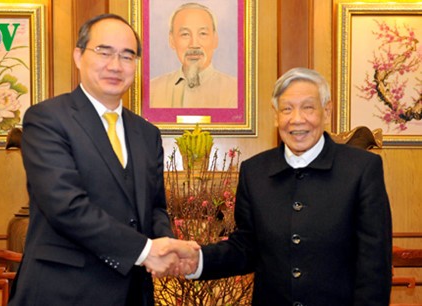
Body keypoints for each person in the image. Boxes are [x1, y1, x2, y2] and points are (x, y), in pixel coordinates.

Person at [8, 14, 197, 306]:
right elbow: (66, 207)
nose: (115, 65)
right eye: (104, 52)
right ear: (78, 55)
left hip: (132, 293)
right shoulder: (46, 119)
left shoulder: (147, 133)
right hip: (62, 292)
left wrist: (167, 244)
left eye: (126, 55)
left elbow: (155, 207)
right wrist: (147, 251)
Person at [164, 67, 393, 305]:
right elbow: (246, 247)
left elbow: (374, 265)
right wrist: (198, 259)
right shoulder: (255, 172)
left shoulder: (361, 169)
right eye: (287, 109)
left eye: (308, 107)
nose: (297, 119)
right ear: (276, 115)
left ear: (327, 111)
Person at [150, 2, 238, 108]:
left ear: (215, 40)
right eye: (185, 34)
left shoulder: (236, 91)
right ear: (172, 40)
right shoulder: (152, 90)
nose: (194, 44)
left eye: (203, 34)